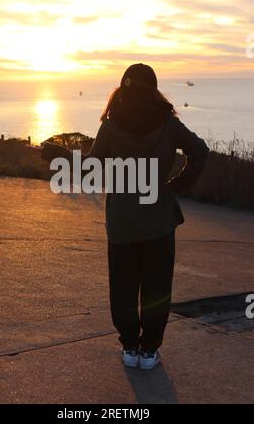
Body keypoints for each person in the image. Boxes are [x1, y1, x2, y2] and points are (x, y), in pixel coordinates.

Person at [40, 64, 209, 369]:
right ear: (154, 90)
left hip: (122, 223)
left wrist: (57, 153)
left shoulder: (111, 125)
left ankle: (130, 347)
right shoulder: (169, 125)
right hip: (159, 222)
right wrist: (177, 186)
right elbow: (201, 152)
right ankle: (149, 351)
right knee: (157, 289)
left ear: (123, 87)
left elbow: (90, 168)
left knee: (123, 289)